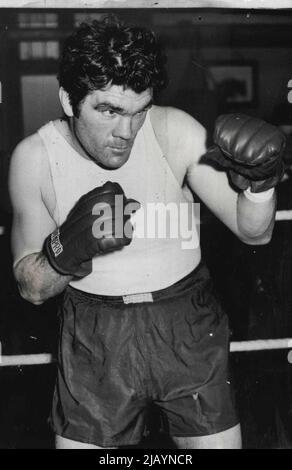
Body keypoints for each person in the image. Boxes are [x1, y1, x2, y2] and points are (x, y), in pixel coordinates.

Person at [8, 17, 285, 450]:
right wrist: (67, 251)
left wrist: (260, 188)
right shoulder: (36, 159)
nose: (126, 132)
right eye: (109, 110)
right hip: (93, 333)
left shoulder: (173, 130)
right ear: (68, 99)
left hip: (187, 322)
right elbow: (32, 288)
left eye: (139, 112)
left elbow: (255, 234)